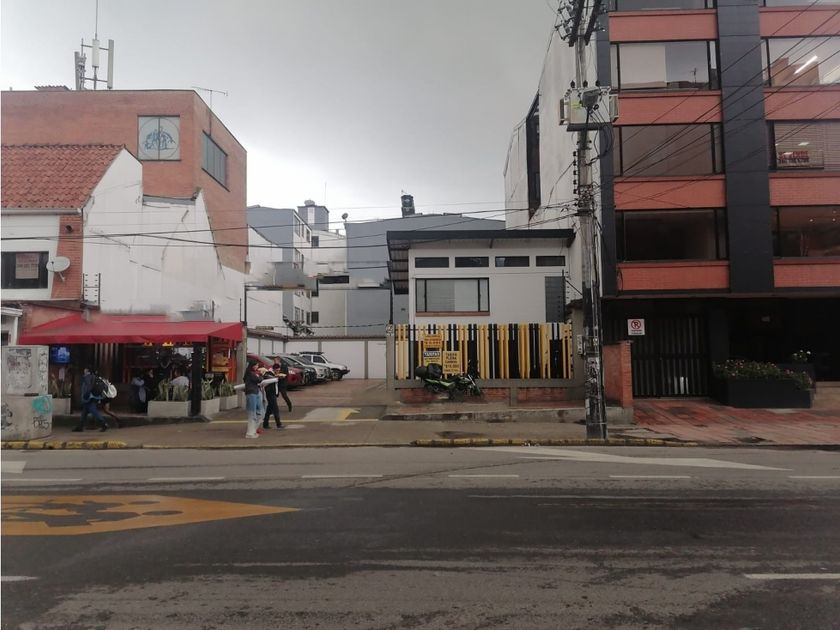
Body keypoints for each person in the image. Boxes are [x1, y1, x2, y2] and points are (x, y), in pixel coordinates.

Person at [73, 367, 108, 432]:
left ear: (88, 371)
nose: (84, 371)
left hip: (89, 398)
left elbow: (89, 387)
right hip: (93, 397)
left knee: (94, 412)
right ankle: (80, 427)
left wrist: (86, 395)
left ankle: (104, 424)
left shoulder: (87, 377)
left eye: (85, 370)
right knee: (84, 412)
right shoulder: (93, 377)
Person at [243, 360, 263, 439]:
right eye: (256, 365)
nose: (257, 367)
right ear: (253, 366)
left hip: (254, 392)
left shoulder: (251, 373)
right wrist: (260, 375)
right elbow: (259, 380)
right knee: (253, 413)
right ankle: (250, 433)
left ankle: (253, 430)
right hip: (252, 393)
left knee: (259, 412)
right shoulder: (251, 374)